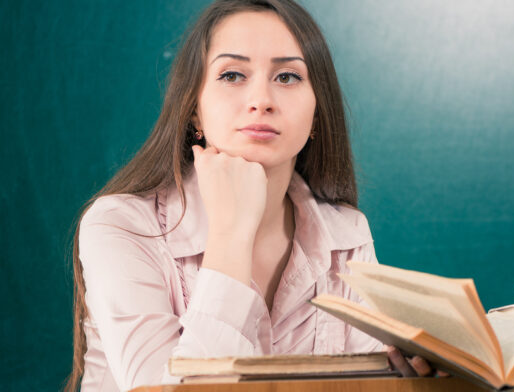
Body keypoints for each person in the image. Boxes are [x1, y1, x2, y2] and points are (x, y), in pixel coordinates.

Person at [65, 1, 437, 391]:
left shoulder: (347, 234)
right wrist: (231, 234)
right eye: (232, 75)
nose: (261, 100)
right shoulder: (121, 225)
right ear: (194, 110)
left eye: (288, 77)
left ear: (316, 114)